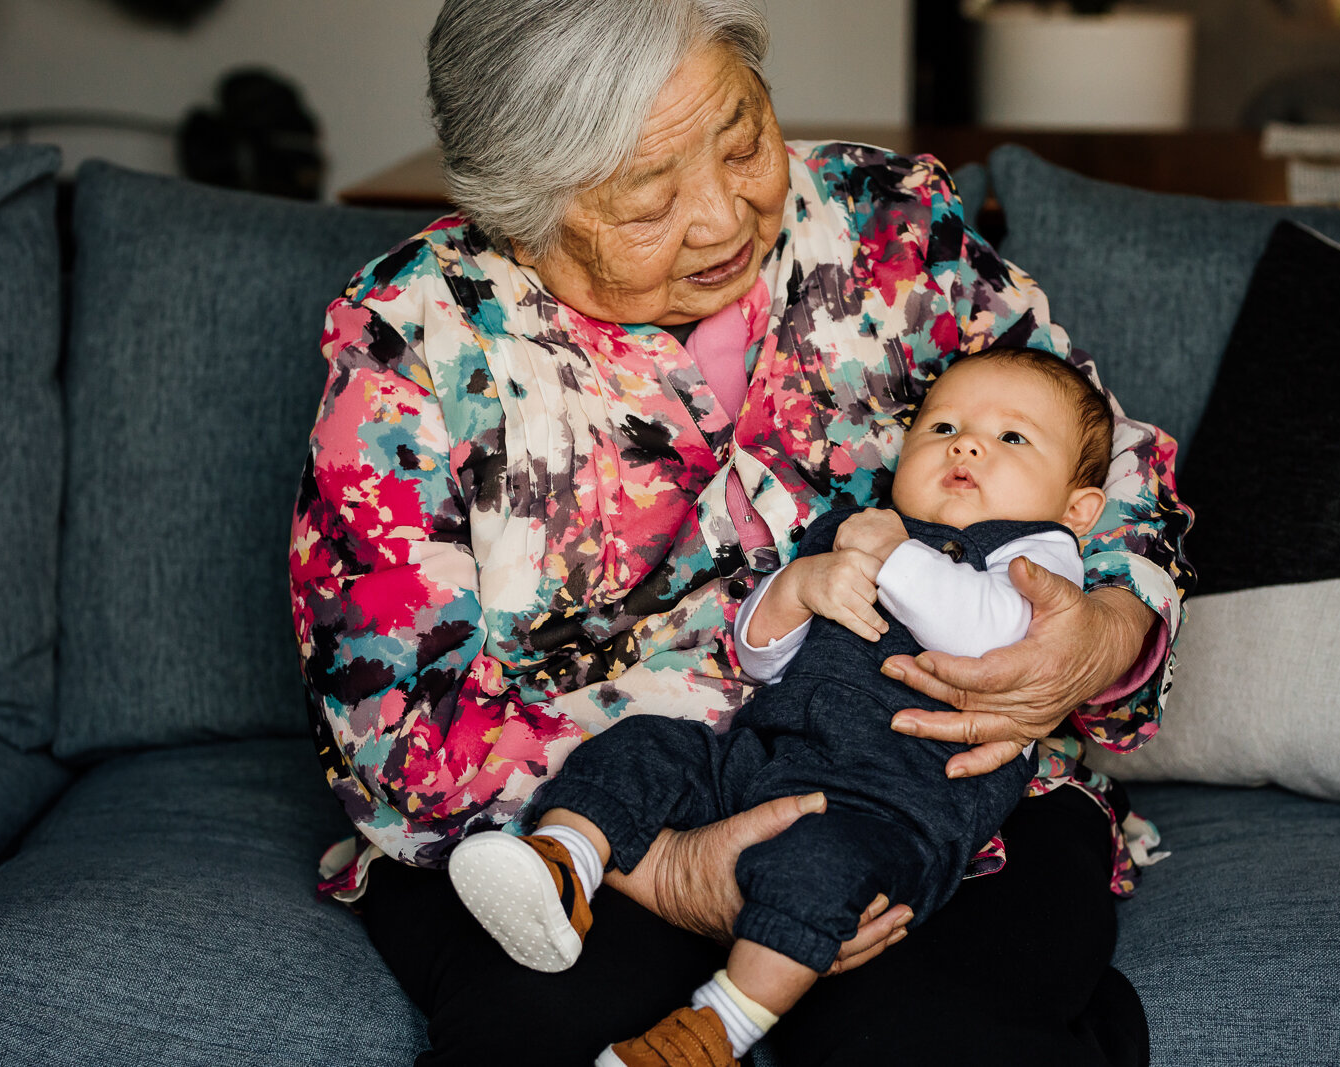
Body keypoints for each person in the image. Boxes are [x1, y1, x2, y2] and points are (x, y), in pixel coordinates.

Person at [288, 1, 1192, 1063]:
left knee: (923, 1034)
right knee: (545, 1029)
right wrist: (662, 864)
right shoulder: (418, 340)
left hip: (917, 769)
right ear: (518, 213)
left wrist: (1103, 626)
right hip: (591, 810)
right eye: (646, 201)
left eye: (743, 140)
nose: (723, 217)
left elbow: (1106, 459)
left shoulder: (887, 223)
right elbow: (394, 722)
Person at [447, 347, 1114, 1066]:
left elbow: (985, 632)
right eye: (942, 426)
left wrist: (892, 558)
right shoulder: (862, 527)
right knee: (643, 746)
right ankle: (564, 861)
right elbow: (761, 653)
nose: (968, 444)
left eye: (1011, 438)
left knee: (816, 874)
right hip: (766, 756)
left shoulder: (1040, 557)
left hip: (892, 803)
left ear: (1077, 506)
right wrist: (799, 588)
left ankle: (713, 1029)